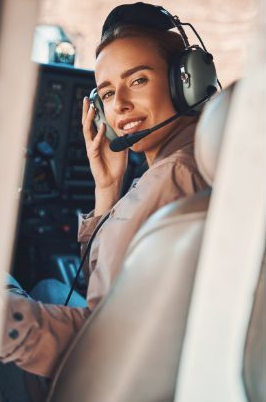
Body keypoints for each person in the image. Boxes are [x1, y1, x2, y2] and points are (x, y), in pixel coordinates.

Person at [0, 2, 212, 400]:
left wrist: (11, 325)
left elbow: (107, 340)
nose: (119, 106)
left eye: (138, 81)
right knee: (48, 284)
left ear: (186, 82)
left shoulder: (171, 179)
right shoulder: (191, 160)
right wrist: (108, 189)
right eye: (108, 92)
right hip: (145, 361)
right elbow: (113, 285)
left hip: (106, 377)